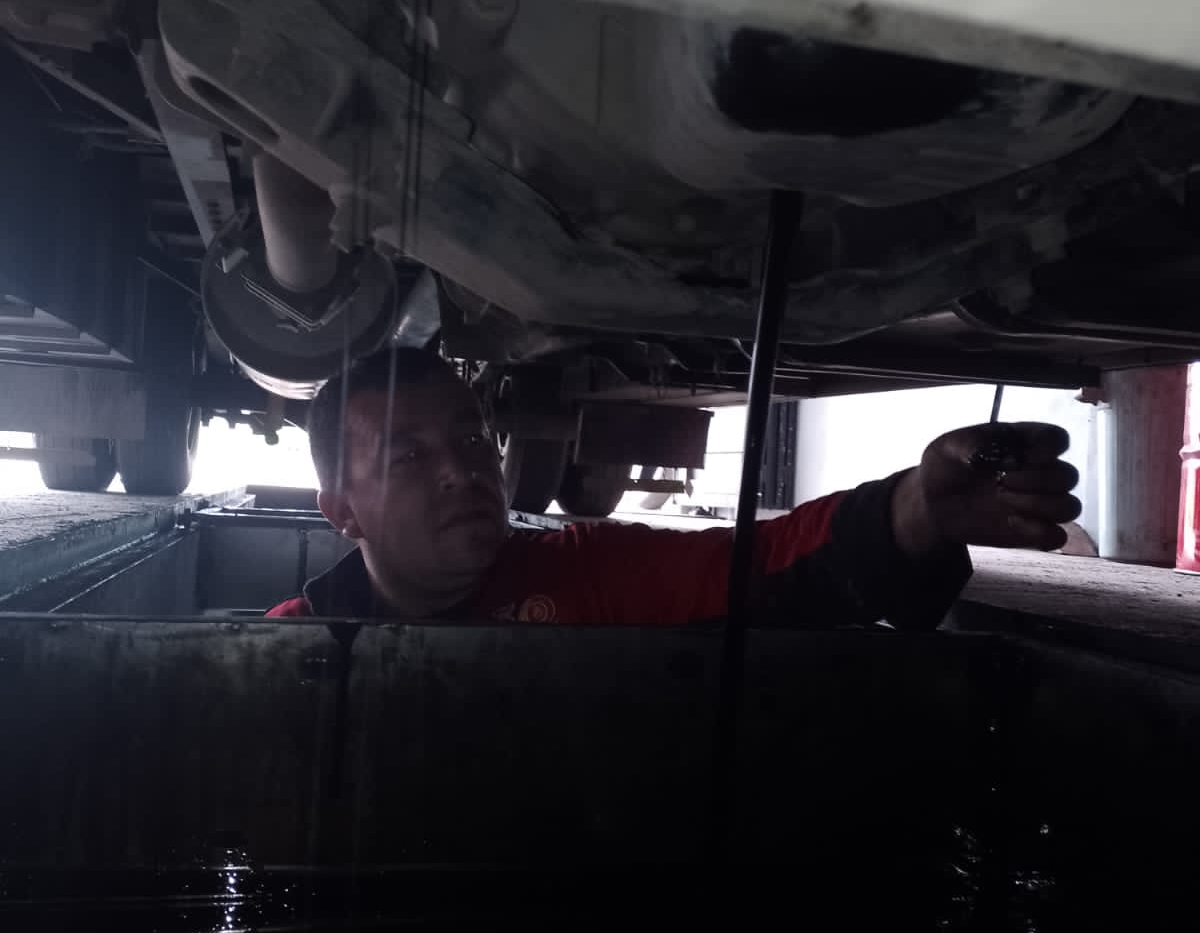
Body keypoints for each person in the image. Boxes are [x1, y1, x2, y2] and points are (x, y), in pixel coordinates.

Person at [267, 348, 1081, 626]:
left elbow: (763, 564)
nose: (462, 468)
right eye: (407, 457)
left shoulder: (585, 572)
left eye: (473, 437)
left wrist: (915, 509)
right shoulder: (285, 652)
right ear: (342, 513)